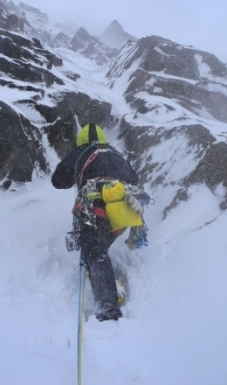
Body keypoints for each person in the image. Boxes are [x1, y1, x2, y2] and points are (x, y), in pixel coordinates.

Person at [51, 123, 146, 321]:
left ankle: (108, 307)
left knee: (94, 252)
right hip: (121, 212)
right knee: (98, 246)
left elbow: (58, 181)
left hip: (96, 208)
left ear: (81, 140)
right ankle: (106, 278)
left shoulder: (81, 152)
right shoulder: (114, 153)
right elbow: (134, 178)